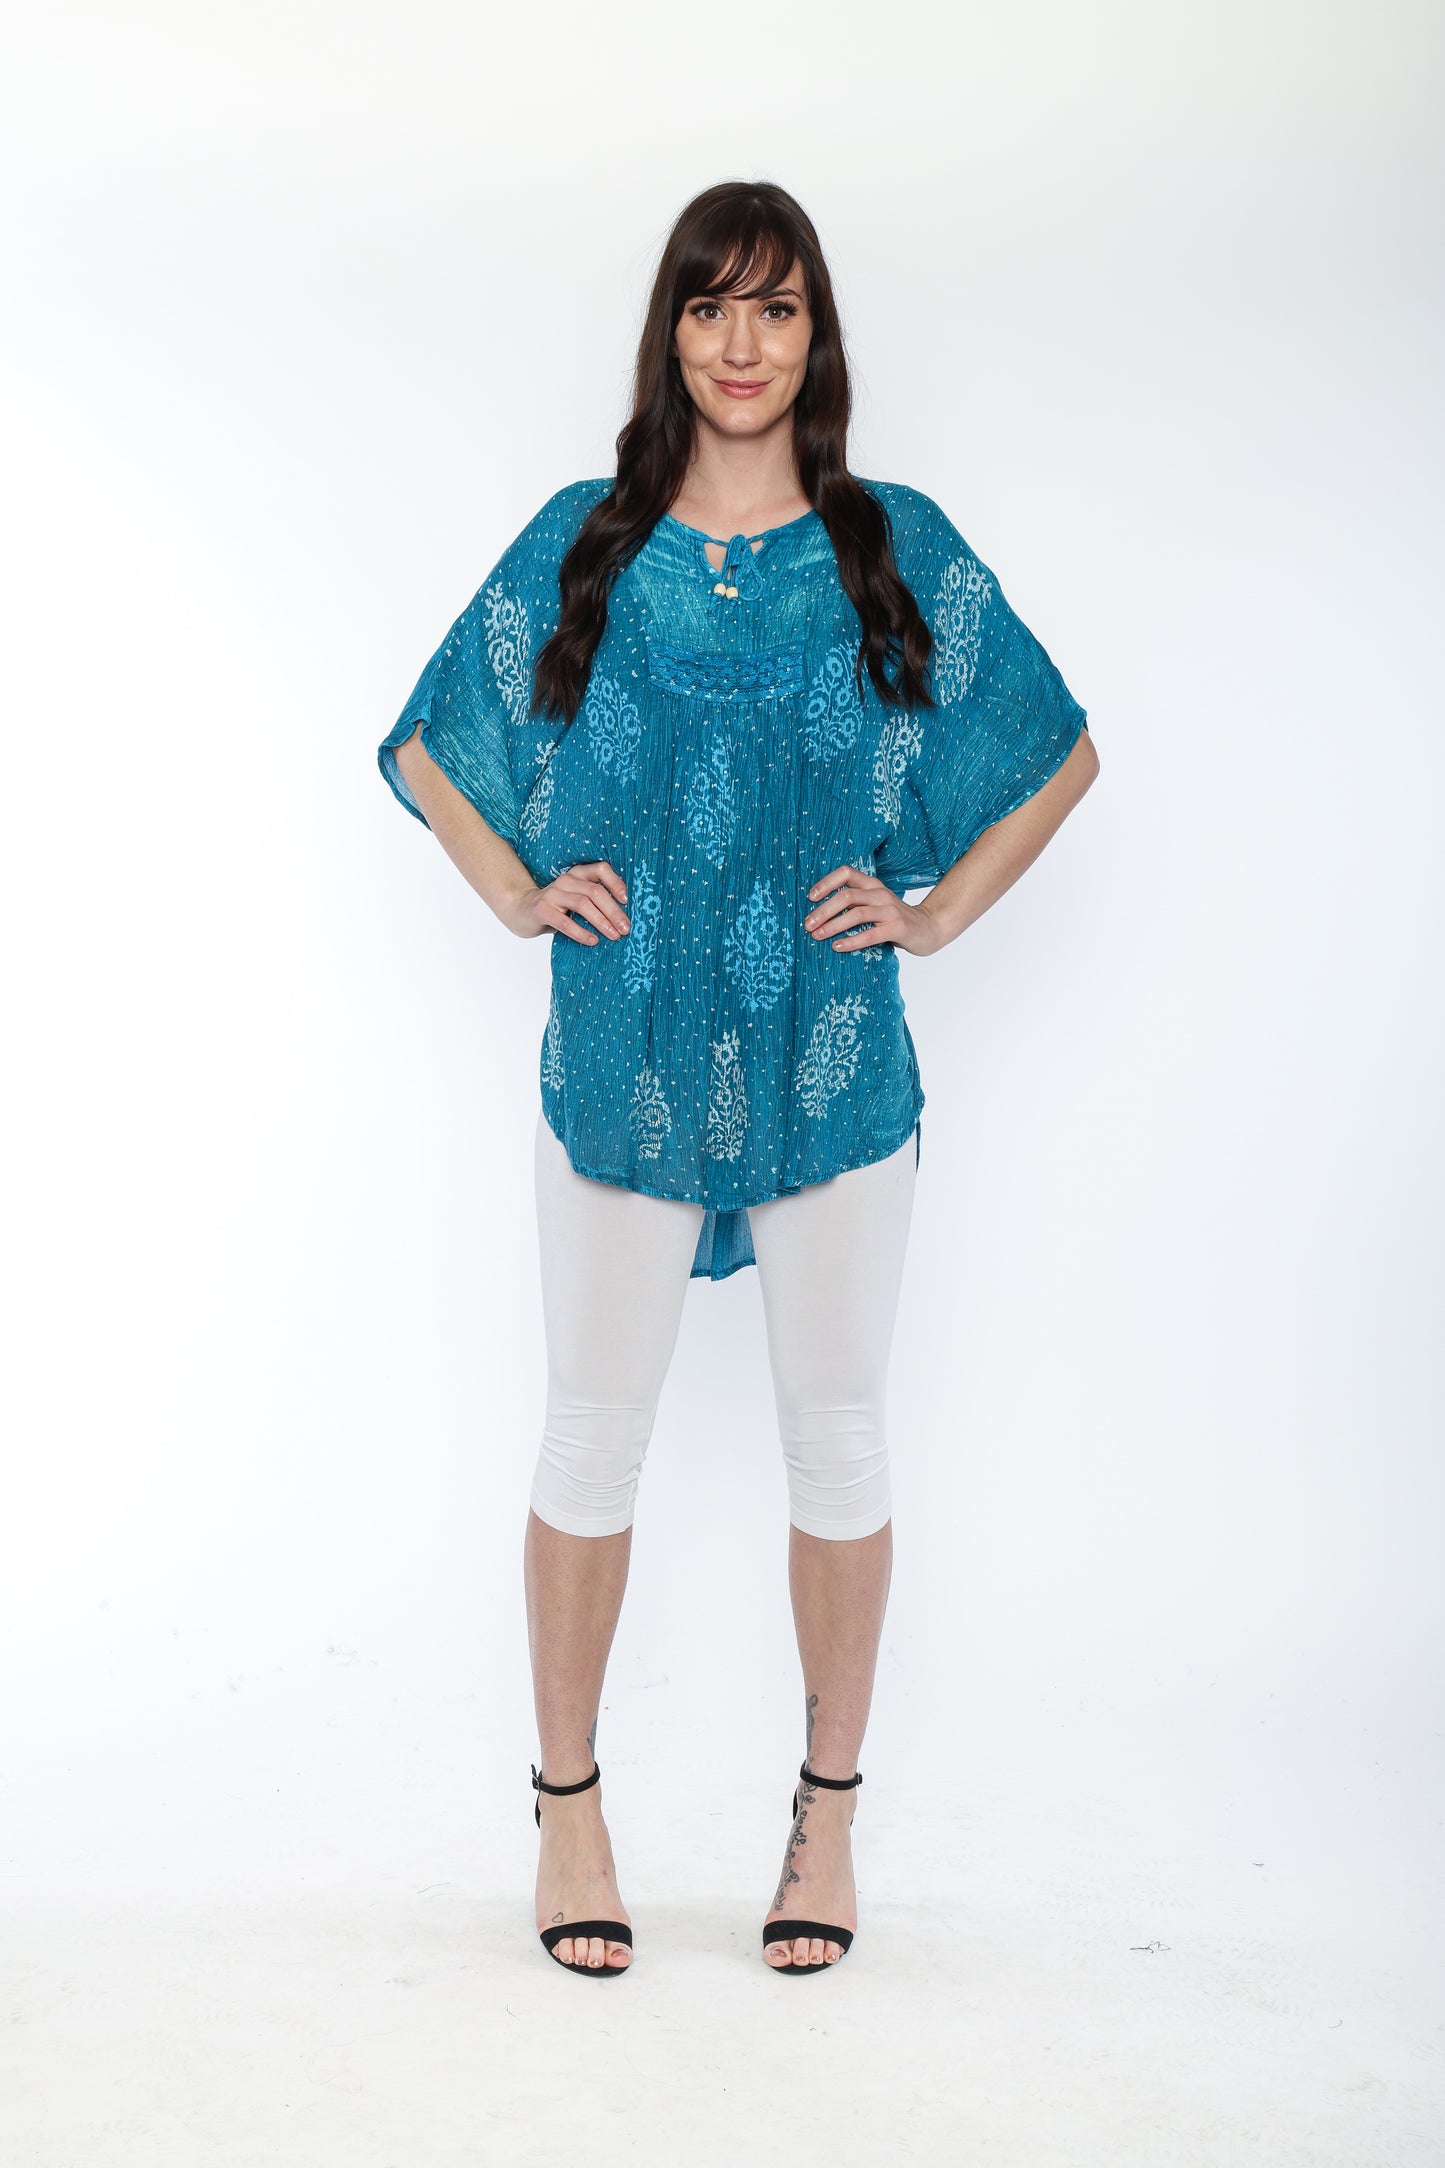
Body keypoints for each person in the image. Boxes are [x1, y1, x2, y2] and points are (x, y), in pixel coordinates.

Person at [376, 179, 1099, 1979]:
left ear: (814, 336)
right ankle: (567, 1810)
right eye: (708, 307)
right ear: (671, 334)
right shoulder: (590, 539)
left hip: (831, 1060)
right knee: (589, 1432)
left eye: (774, 309)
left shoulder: (887, 544)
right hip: (620, 1051)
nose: (740, 343)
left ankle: (825, 1822)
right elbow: (433, 740)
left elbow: (1056, 751)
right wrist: (519, 894)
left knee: (837, 1440)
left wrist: (932, 916)